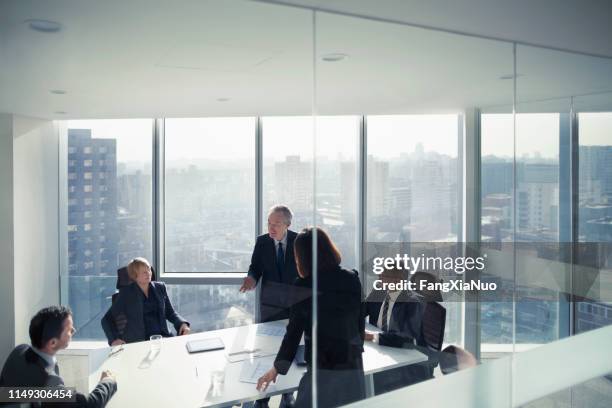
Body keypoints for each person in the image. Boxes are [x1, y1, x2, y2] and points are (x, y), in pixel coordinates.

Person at [256, 227, 366, 408]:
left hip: (322, 371)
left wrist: (277, 368)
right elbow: (359, 318)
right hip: (352, 366)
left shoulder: (303, 285)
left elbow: (293, 333)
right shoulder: (351, 277)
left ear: (302, 257)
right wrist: (356, 347)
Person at [0, 306, 117, 407]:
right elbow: (89, 405)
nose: (74, 331)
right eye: (69, 330)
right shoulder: (50, 383)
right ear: (53, 343)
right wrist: (107, 382)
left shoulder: (19, 350)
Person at [240, 205, 298, 408]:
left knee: (290, 349)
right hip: (270, 307)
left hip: (295, 307)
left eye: (276, 224)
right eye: (269, 223)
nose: (271, 228)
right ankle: (262, 398)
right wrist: (251, 278)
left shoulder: (299, 242)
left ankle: (287, 393)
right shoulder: (262, 242)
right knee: (266, 351)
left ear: (287, 225)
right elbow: (255, 266)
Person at [362, 268, 431, 394]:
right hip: (382, 350)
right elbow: (359, 312)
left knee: (367, 384)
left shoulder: (413, 302)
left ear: (398, 280)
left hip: (403, 359)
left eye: (383, 275)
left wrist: (372, 337)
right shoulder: (378, 292)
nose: (379, 278)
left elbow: (406, 338)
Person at [101, 257, 190, 346]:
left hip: (163, 338)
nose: (148, 273)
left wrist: (182, 323)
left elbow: (170, 313)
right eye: (144, 272)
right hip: (139, 342)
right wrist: (114, 340)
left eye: (149, 269)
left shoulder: (160, 288)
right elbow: (106, 319)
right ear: (135, 276)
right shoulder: (126, 294)